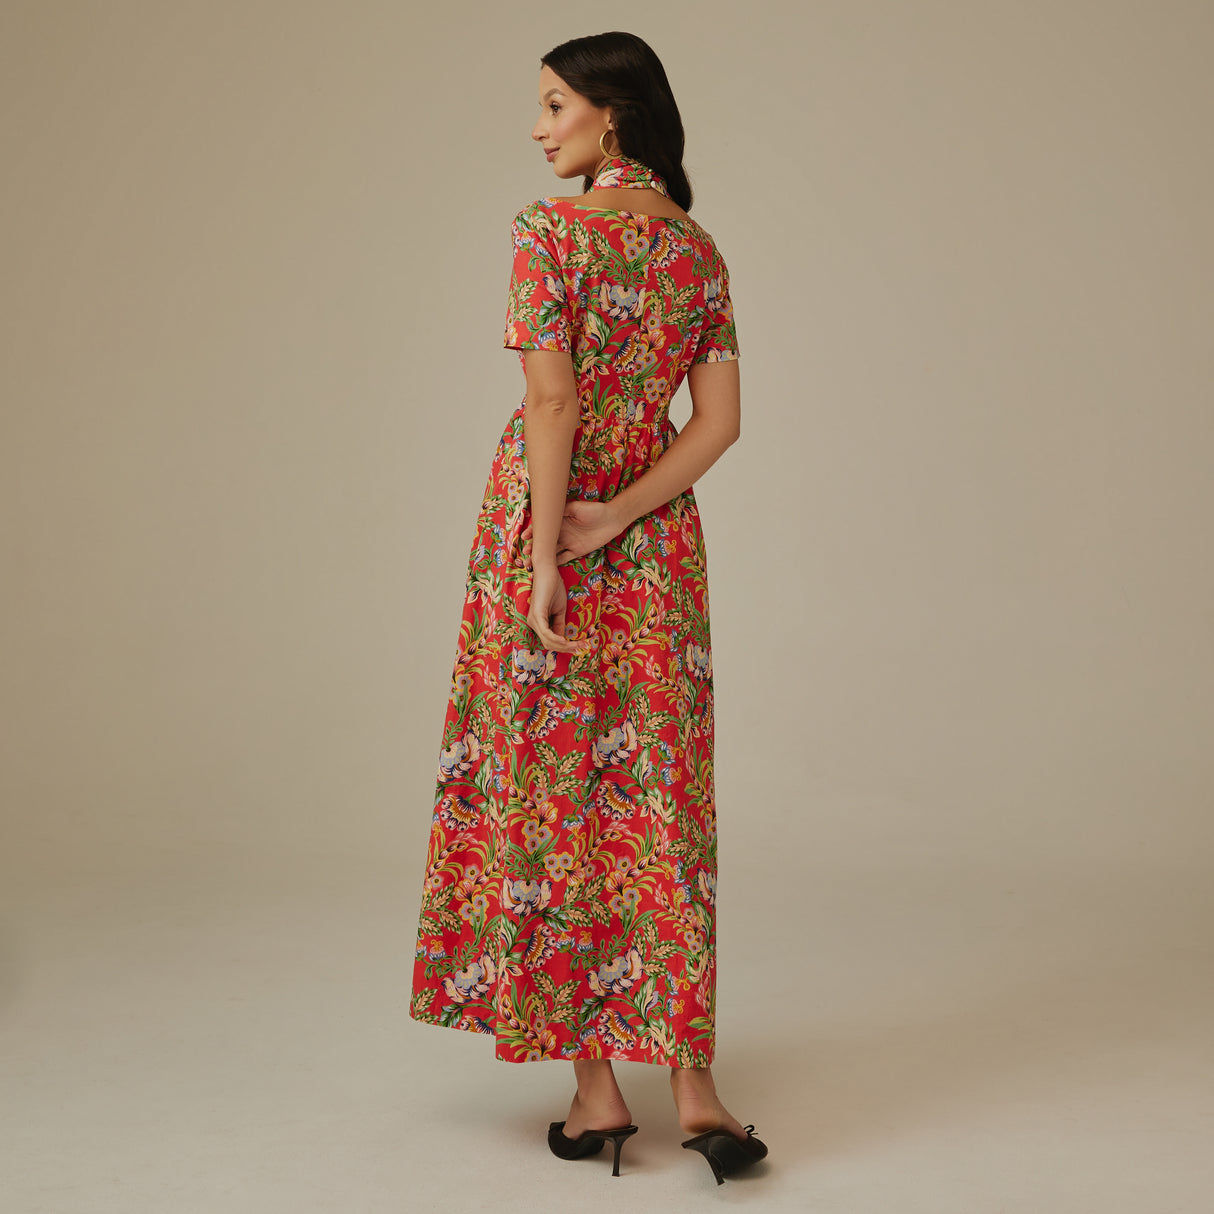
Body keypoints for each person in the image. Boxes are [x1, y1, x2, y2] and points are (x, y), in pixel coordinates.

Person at [408, 30, 767, 1184]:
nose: (537, 126)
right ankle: (697, 1094)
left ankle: (598, 1091)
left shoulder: (546, 231)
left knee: (553, 796)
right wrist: (623, 515)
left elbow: (551, 404)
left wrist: (547, 552)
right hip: (656, 543)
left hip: (545, 524)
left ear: (611, 113)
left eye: (553, 103)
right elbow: (718, 423)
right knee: (660, 804)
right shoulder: (695, 250)